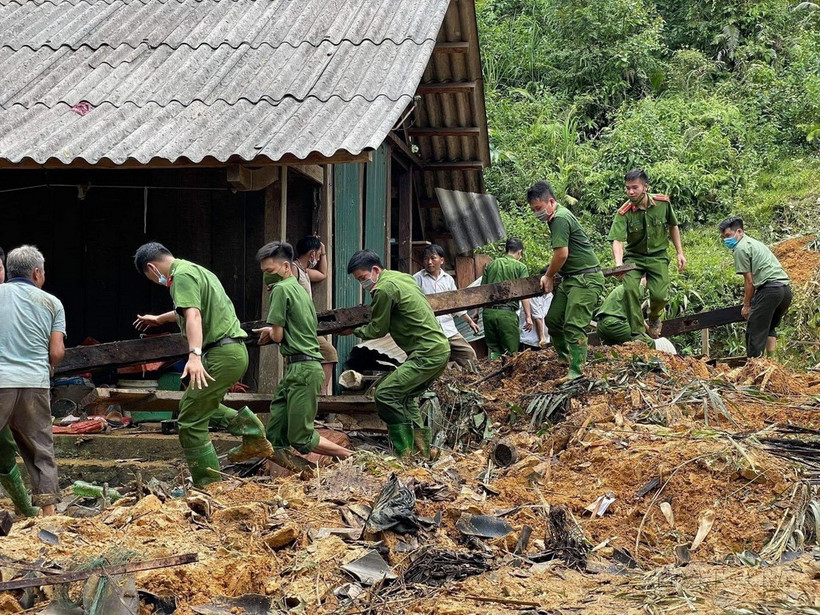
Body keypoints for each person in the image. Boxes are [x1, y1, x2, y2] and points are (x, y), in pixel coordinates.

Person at [133, 242, 272, 488]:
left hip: (220, 353)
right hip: (230, 351)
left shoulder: (181, 277)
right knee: (194, 405)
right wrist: (159, 319)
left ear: (151, 267)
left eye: (152, 279)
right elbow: (191, 310)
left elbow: (194, 315)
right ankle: (251, 429)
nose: (158, 282)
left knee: (190, 421)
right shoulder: (196, 270)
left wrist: (194, 356)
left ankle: (209, 487)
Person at [341, 250, 450, 458]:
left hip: (426, 353)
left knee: (385, 395)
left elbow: (377, 330)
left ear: (375, 270)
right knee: (406, 398)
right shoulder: (402, 278)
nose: (362, 284)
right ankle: (420, 454)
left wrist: (352, 330)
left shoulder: (384, 289)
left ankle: (404, 453)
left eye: (363, 278)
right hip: (438, 349)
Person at [253, 241, 352, 465]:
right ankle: (300, 475)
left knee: (300, 436)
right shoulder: (300, 290)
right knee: (275, 435)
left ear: (286, 267)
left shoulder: (280, 290)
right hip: (299, 369)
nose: (267, 277)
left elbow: (277, 336)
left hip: (303, 370)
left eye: (270, 271)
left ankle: (351, 457)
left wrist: (271, 330)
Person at [0, 245, 65, 517]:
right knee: (41, 450)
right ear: (37, 273)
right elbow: (56, 352)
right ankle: (49, 514)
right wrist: (48, 366)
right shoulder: (51, 302)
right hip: (35, 383)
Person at [528, 181, 605, 380]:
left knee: (573, 325)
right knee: (553, 320)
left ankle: (576, 371)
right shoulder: (555, 218)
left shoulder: (560, 218)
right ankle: (563, 358)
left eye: (539, 208)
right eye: (533, 210)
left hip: (585, 278)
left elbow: (561, 254)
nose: (537, 213)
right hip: (572, 279)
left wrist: (549, 275)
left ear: (551, 202)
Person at [608, 168, 686, 339]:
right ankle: (637, 333)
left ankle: (654, 317)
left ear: (645, 187)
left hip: (658, 256)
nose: (630, 191)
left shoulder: (663, 203)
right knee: (630, 290)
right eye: (627, 188)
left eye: (635, 187)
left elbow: (673, 226)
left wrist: (679, 252)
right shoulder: (624, 212)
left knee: (660, 295)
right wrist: (619, 264)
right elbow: (618, 240)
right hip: (634, 258)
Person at [719, 216, 792, 358]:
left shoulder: (741, 248)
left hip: (770, 289)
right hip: (785, 290)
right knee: (769, 327)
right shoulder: (755, 243)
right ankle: (772, 364)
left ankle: (754, 367)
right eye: (723, 237)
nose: (726, 240)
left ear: (739, 232)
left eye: (727, 236)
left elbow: (749, 281)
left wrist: (746, 305)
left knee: (754, 331)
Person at [413, 244, 480, 368]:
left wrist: (470, 322)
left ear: (441, 260)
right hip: (429, 331)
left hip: (449, 330)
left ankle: (474, 382)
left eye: (433, 258)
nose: (429, 262)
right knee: (432, 362)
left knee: (469, 355)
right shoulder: (417, 279)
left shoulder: (448, 280)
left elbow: (456, 305)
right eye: (426, 259)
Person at [293, 236, 337, 395]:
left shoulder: (304, 271)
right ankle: (321, 392)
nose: (318, 258)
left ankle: (321, 391)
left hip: (308, 324)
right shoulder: (293, 269)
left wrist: (323, 252)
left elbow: (323, 274)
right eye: (317, 255)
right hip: (299, 325)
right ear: (311, 254)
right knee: (329, 353)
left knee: (327, 354)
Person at [481, 238, 532, 359]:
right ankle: (509, 376)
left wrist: (476, 312)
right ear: (519, 252)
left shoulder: (491, 265)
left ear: (506, 250)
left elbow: (481, 291)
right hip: (506, 314)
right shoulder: (520, 267)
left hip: (488, 314)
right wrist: (528, 316)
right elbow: (524, 293)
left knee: (495, 350)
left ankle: (495, 373)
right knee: (511, 352)